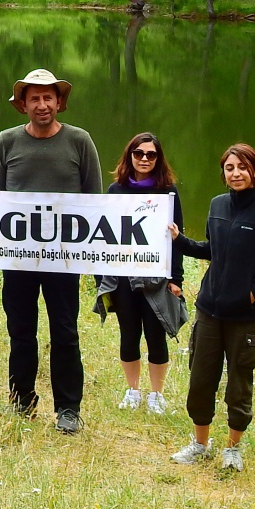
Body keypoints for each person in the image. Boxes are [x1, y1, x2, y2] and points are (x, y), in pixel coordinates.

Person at [0, 69, 103, 434]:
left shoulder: (79, 141)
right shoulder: (6, 142)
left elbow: (94, 202)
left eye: (48, 98)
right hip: (18, 258)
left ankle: (68, 409)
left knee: (65, 331)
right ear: (22, 105)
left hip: (64, 258)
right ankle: (22, 401)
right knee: (21, 331)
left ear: (59, 102)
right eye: (34, 98)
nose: (42, 105)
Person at [171, 144, 255, 471]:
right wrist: (180, 240)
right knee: (201, 379)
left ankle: (233, 449)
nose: (235, 173)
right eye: (229, 168)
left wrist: (252, 292)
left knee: (239, 383)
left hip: (247, 318)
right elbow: (213, 250)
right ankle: (200, 444)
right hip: (209, 311)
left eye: (242, 167)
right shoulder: (217, 205)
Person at [95, 132, 185, 415]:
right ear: (129, 155)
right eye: (139, 153)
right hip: (122, 276)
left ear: (158, 159)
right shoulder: (115, 191)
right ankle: (132, 390)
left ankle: (156, 395)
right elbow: (104, 236)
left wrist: (176, 279)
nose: (144, 159)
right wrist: (102, 279)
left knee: (156, 335)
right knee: (128, 333)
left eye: (151, 154)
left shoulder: (168, 191)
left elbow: (177, 240)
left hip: (156, 277)